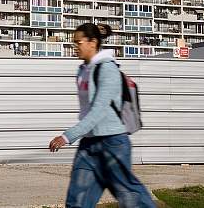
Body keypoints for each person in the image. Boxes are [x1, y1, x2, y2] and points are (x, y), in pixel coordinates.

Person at [48, 23, 154, 208]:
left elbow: (98, 111)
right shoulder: (82, 70)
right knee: (77, 201)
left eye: (78, 42)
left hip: (112, 143)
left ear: (92, 42)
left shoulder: (108, 70)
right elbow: (87, 111)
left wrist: (67, 136)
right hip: (89, 144)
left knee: (130, 198)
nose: (75, 46)